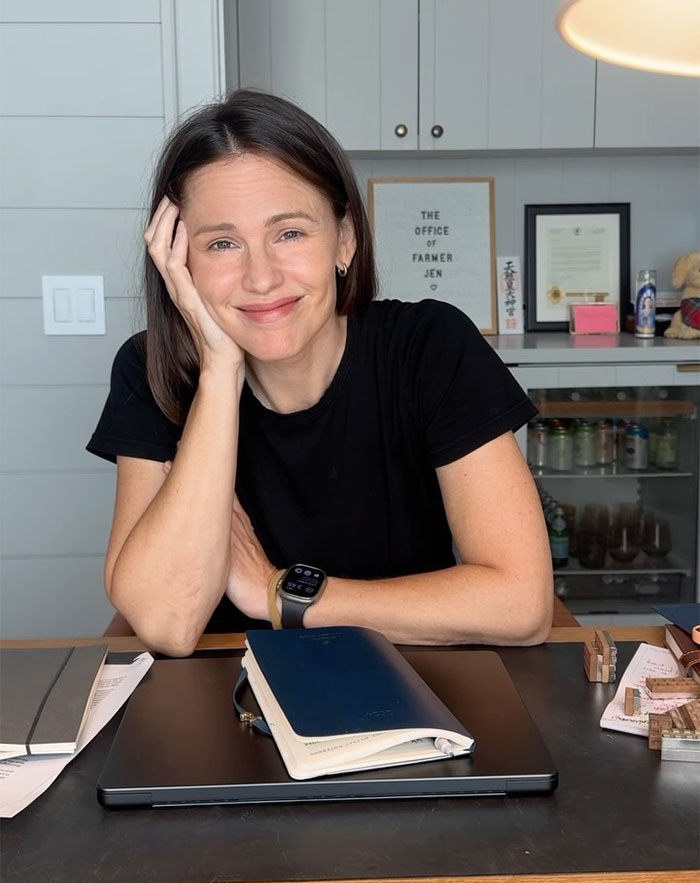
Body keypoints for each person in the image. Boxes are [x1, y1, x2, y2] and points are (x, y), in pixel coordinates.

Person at [87, 89, 552, 657]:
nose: (261, 277)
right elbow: (168, 622)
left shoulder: (431, 347)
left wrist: (277, 595)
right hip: (220, 701)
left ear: (345, 240)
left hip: (412, 687)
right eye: (222, 243)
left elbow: (521, 605)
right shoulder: (150, 369)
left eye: (289, 233)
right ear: (178, 262)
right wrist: (219, 373)